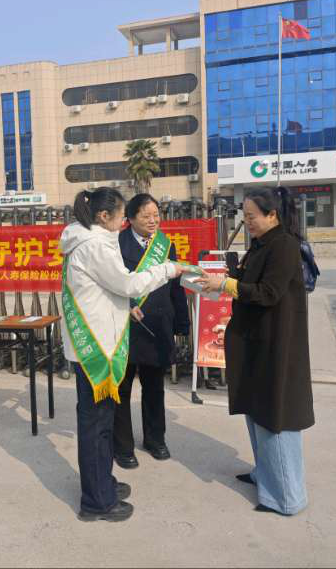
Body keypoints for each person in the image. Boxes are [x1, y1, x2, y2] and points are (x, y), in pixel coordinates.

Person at [60, 187, 184, 522]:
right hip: (97, 349)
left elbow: (108, 288)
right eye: (121, 215)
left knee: (101, 422)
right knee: (96, 425)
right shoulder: (94, 245)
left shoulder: (87, 238)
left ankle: (103, 483)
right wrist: (167, 270)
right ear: (105, 216)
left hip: (98, 343)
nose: (124, 222)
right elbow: (128, 285)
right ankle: (96, 502)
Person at [195, 186, 314, 516]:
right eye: (244, 216)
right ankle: (265, 473)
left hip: (276, 343)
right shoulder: (262, 243)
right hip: (255, 340)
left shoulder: (284, 245)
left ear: (272, 215)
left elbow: (268, 292)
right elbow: (248, 283)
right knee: (257, 411)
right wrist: (222, 277)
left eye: (252, 216)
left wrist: (225, 284)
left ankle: (286, 498)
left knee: (275, 417)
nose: (246, 222)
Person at [113, 193, 190, 469]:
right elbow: (111, 283)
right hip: (127, 326)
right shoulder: (116, 244)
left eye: (156, 215)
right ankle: (122, 446)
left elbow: (175, 286)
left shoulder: (165, 245)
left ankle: (155, 439)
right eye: (146, 216)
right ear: (130, 218)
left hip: (158, 325)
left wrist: (182, 322)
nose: (153, 220)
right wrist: (129, 304)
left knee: (155, 388)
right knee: (121, 389)